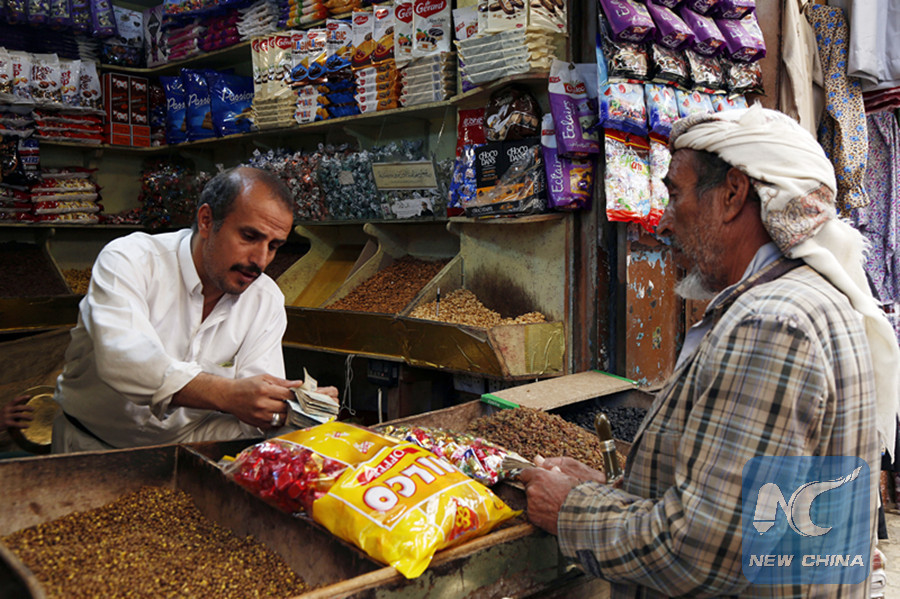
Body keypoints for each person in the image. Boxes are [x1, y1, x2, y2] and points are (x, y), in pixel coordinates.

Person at [520, 106, 900, 597]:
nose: (663, 222)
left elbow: (706, 548)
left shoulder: (771, 322)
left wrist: (572, 510)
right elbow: (742, 504)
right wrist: (605, 491)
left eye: (675, 195)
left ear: (732, 194)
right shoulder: (805, 299)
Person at [49, 166, 337, 452]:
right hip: (89, 444)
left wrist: (299, 406)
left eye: (273, 246)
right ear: (206, 221)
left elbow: (255, 409)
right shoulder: (130, 260)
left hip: (188, 446)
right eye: (249, 237)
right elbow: (124, 359)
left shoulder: (265, 299)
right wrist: (226, 394)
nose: (260, 261)